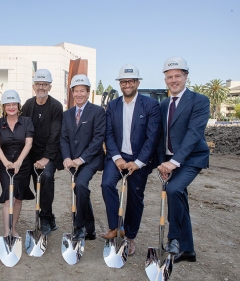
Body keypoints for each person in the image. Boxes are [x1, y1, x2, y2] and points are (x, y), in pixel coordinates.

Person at [100, 64, 161, 256]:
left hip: (139, 159)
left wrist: (139, 162)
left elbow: (152, 137)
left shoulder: (150, 105)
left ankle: (129, 236)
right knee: (107, 184)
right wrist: (117, 158)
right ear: (120, 84)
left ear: (137, 82)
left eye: (131, 81)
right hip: (117, 156)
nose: (127, 84)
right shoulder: (113, 105)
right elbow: (108, 133)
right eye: (124, 81)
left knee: (135, 196)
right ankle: (115, 227)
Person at [157, 56, 210, 263]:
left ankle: (174, 238)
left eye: (178, 75)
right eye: (169, 76)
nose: (173, 80)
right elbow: (162, 136)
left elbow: (193, 134)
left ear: (186, 76)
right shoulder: (163, 105)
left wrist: (174, 162)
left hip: (192, 158)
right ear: (165, 80)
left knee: (173, 190)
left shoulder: (199, 101)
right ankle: (188, 250)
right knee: (179, 197)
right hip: (169, 160)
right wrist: (163, 162)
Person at [60, 74, 106, 240]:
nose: (79, 94)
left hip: (91, 159)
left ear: (88, 93)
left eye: (82, 91)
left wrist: (81, 159)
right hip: (73, 160)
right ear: (72, 93)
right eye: (76, 91)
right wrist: (66, 157)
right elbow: (64, 138)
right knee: (81, 190)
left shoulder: (98, 112)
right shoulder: (67, 114)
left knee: (80, 185)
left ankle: (79, 225)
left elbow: (98, 138)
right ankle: (90, 228)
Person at [21, 69, 63, 235]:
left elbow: (55, 134)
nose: (41, 87)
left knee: (45, 178)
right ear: (34, 86)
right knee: (35, 186)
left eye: (44, 84)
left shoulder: (56, 107)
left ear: (49, 87)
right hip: (30, 154)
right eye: (38, 84)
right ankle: (49, 215)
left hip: (49, 154)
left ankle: (44, 217)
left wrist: (46, 158)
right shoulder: (28, 105)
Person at [0, 90, 35, 237]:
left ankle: (14, 228)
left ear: (18, 105)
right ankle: (6, 231)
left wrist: (18, 162)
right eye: (8, 104)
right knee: (8, 199)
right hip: (5, 166)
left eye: (14, 104)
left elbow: (28, 143)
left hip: (23, 165)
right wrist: (6, 163)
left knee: (18, 199)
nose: (11, 107)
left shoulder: (27, 121)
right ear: (3, 107)